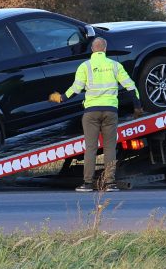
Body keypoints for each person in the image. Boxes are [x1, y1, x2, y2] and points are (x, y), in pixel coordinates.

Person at [49, 37, 143, 192]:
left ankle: (87, 184)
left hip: (91, 112)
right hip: (110, 111)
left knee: (91, 148)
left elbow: (76, 88)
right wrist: (137, 107)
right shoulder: (115, 66)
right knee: (110, 148)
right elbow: (131, 87)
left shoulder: (85, 66)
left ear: (93, 49)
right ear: (104, 49)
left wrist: (61, 98)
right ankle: (110, 183)